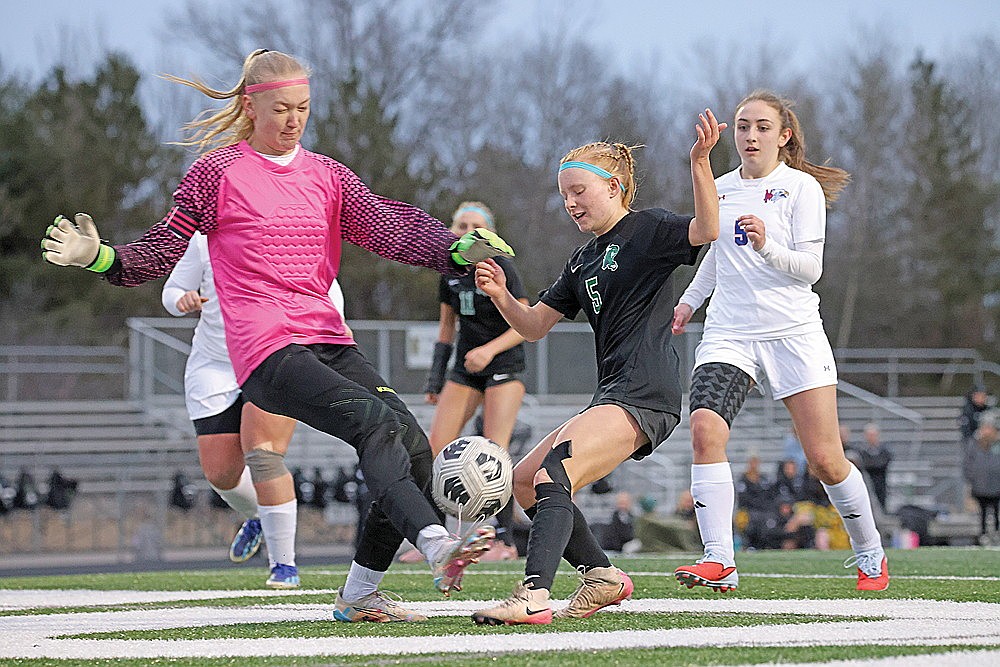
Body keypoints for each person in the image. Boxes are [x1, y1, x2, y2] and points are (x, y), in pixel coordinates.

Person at [39, 49, 516, 620]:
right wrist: (102, 258)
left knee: (412, 443)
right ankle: (437, 545)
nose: (294, 120)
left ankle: (360, 593)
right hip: (265, 348)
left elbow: (387, 225)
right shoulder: (217, 173)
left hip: (327, 336)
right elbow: (165, 246)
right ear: (251, 105)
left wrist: (453, 249)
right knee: (371, 422)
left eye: (304, 108)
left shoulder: (327, 175)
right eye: (282, 108)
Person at [470, 108, 725, 625]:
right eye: (564, 193)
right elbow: (536, 325)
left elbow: (708, 227)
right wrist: (500, 295)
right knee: (523, 482)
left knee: (551, 473)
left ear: (614, 188)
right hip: (612, 392)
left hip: (645, 392)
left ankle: (533, 594)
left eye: (579, 190)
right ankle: (602, 576)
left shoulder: (648, 228)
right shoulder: (581, 258)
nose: (570, 202)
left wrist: (700, 163)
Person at [671, 90, 889, 592]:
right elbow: (714, 256)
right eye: (743, 125)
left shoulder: (801, 189)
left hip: (793, 334)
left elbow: (810, 270)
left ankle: (870, 552)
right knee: (704, 428)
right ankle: (719, 559)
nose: (751, 135)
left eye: (762, 127)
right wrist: (689, 301)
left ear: (783, 136)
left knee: (826, 460)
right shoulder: (720, 188)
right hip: (730, 332)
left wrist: (768, 244)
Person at [161, 231, 345, 587]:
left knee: (263, 455)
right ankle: (262, 516)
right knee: (221, 473)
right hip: (214, 363)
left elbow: (329, 290)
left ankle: (283, 565)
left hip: (273, 354)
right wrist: (180, 300)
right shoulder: (205, 239)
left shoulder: (292, 232)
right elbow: (171, 291)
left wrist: (328, 331)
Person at [423, 201, 529, 561]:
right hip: (465, 369)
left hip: (503, 365)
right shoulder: (448, 272)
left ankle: (503, 540)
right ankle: (433, 538)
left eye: (475, 226)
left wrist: (488, 350)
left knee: (495, 451)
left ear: (489, 234)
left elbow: (525, 323)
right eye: (460, 225)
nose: (466, 232)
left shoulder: (502, 267)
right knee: (434, 447)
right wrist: (435, 381)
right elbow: (445, 331)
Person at [964, 409, 1000, 541]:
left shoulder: (997, 443)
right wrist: (972, 479)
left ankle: (996, 532)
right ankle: (983, 534)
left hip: (996, 485)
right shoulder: (974, 443)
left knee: (996, 511)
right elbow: (968, 464)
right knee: (982, 512)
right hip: (981, 485)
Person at [858, 422, 892, 512]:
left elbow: (884, 462)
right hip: (867, 479)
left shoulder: (884, 450)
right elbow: (864, 463)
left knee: (881, 499)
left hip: (881, 480)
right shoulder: (862, 450)